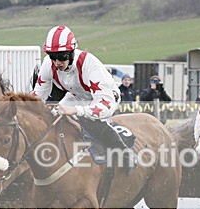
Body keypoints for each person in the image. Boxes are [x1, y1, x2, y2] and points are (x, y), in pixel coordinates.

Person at [32, 25, 136, 172]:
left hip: (104, 98)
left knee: (93, 121)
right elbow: (36, 97)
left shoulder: (90, 65)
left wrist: (75, 110)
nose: (57, 63)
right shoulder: (48, 64)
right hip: (76, 95)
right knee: (52, 116)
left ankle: (125, 153)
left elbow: (105, 107)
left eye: (62, 57)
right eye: (53, 57)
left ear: (72, 52)